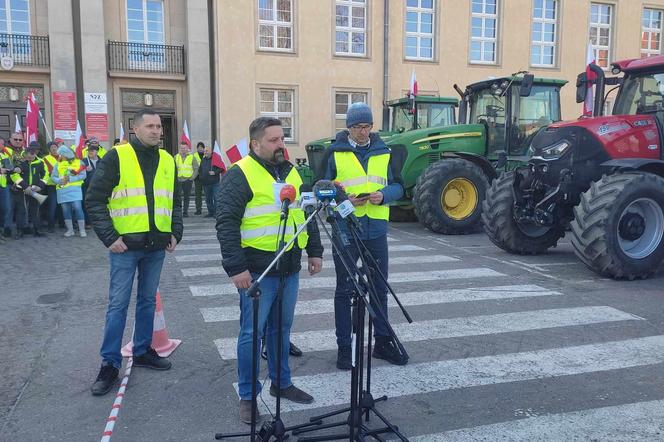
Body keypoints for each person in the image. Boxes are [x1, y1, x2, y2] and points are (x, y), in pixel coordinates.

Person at [217, 117, 323, 424]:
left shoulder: (290, 171)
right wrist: (236, 268)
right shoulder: (240, 175)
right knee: (252, 334)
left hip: (289, 268)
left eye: (283, 138)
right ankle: (248, 396)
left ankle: (281, 383)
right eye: (275, 140)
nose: (282, 145)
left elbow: (307, 212)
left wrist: (314, 251)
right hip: (257, 271)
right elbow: (226, 224)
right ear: (256, 144)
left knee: (281, 330)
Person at [85, 109, 183, 396]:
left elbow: (175, 200)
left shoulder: (167, 159)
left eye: (159, 126)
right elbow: (95, 199)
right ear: (135, 129)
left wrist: (175, 232)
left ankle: (142, 351)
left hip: (156, 246)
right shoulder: (117, 156)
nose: (156, 131)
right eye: (150, 126)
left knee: (146, 302)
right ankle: (109, 364)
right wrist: (109, 236)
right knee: (117, 306)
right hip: (125, 246)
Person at [322, 102, 408, 369]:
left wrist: (385, 196)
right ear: (348, 128)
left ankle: (381, 343)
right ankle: (345, 348)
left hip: (377, 229)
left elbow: (399, 187)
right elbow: (322, 188)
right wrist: (342, 198)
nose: (363, 132)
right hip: (346, 230)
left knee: (379, 289)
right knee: (344, 290)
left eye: (367, 126)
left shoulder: (385, 152)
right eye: (357, 127)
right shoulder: (334, 153)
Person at [9, 142, 47, 238]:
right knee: (21, 210)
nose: (31, 157)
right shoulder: (19, 162)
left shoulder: (40, 162)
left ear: (36, 154)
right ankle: (20, 231)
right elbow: (14, 175)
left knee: (35, 210)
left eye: (33, 155)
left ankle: (36, 230)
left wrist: (40, 186)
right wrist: (25, 186)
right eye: (29, 156)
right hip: (22, 190)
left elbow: (46, 175)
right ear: (25, 154)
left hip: (35, 190)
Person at [51, 146, 87, 237]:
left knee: (77, 208)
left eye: (61, 154)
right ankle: (70, 230)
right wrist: (59, 181)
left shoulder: (79, 162)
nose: (60, 156)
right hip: (62, 189)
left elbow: (83, 175)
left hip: (75, 189)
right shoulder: (57, 164)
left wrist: (71, 179)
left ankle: (82, 230)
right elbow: (53, 177)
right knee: (65, 210)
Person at [42, 141, 63, 233]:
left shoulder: (62, 157)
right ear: (49, 149)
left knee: (62, 205)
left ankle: (62, 223)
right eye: (52, 147)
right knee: (52, 206)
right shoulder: (46, 158)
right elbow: (49, 171)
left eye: (55, 147)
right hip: (52, 186)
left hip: (63, 185)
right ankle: (51, 225)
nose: (54, 148)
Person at [175, 140, 199, 217]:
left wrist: (192, 178)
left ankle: (185, 212)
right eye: (181, 148)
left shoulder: (192, 157)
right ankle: (178, 211)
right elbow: (173, 168)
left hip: (187, 180)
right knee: (177, 197)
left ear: (187, 148)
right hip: (178, 180)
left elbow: (196, 168)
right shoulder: (176, 157)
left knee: (186, 197)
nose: (183, 150)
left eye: (184, 148)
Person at [198, 144, 223, 217]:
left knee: (216, 198)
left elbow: (221, 168)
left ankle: (216, 213)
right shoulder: (203, 159)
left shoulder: (215, 159)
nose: (205, 152)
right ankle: (210, 212)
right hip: (206, 183)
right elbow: (200, 170)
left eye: (206, 151)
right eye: (204, 151)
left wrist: (215, 172)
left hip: (215, 183)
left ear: (211, 151)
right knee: (208, 199)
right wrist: (201, 177)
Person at [81, 143, 101, 227]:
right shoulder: (84, 161)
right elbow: (78, 173)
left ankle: (99, 222)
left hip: (100, 188)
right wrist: (85, 170)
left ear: (97, 151)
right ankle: (88, 222)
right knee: (87, 205)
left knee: (99, 205)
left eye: (92, 150)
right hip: (87, 187)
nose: (90, 152)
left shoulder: (102, 161)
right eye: (89, 150)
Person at [0, 137, 13, 238]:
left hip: (4, 185)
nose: (1, 146)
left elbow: (10, 168)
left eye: (2, 144)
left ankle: (5, 229)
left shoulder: (6, 154)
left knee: (6, 208)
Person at [193, 141, 205, 215]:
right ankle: (198, 209)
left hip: (206, 178)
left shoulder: (207, 155)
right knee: (198, 195)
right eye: (198, 148)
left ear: (203, 148)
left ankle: (211, 210)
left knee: (208, 194)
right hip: (197, 178)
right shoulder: (194, 156)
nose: (200, 149)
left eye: (201, 148)